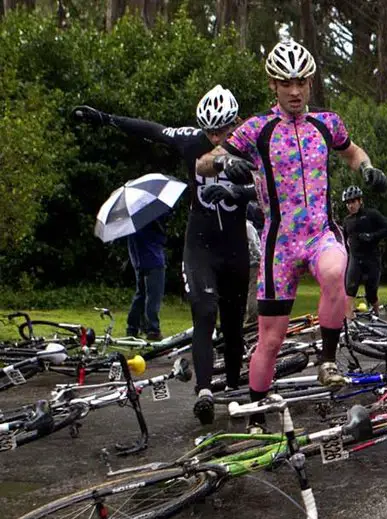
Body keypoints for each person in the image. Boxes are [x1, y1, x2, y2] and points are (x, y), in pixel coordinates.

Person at [195, 40, 387, 428]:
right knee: (271, 340)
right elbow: (204, 164)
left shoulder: (327, 123)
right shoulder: (257, 128)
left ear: (311, 82)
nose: (295, 91)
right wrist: (228, 163)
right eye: (287, 83)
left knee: (337, 270)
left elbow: (352, 151)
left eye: (302, 82)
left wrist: (366, 168)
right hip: (279, 244)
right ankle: (255, 415)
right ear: (273, 85)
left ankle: (328, 361)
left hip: (319, 233)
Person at [73, 85, 253, 425]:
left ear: (237, 123)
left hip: (235, 247)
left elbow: (265, 190)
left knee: (232, 327)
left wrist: (235, 189)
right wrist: (105, 118)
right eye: (210, 132)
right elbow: (151, 129)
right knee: (204, 311)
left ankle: (231, 387)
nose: (216, 139)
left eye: (223, 131)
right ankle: (204, 392)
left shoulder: (250, 143)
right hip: (200, 244)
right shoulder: (191, 140)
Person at [341, 185, 387, 315]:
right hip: (355, 258)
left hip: (371, 259)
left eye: (353, 202)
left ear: (360, 201)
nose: (350, 205)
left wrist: (372, 236)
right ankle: (350, 321)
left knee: (371, 293)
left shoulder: (371, 214)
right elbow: (343, 240)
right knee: (350, 289)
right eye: (348, 203)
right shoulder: (347, 221)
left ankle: (377, 314)